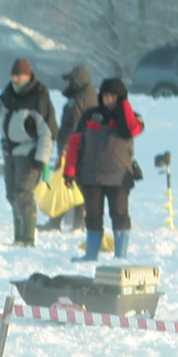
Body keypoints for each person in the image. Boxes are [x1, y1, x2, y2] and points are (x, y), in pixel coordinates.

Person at [64, 77, 144, 259]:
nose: (109, 99)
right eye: (106, 95)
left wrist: (123, 105)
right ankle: (91, 255)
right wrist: (69, 171)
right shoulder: (89, 115)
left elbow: (131, 130)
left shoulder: (132, 118)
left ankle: (120, 255)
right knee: (92, 216)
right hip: (90, 176)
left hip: (119, 176)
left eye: (114, 96)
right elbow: (74, 143)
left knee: (120, 215)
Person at [0, 58, 55, 246]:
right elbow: (0, 105)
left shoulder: (39, 98)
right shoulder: (9, 93)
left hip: (29, 153)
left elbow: (48, 133)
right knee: (11, 194)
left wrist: (41, 159)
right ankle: (18, 237)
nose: (15, 79)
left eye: (19, 75)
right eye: (13, 75)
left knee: (23, 193)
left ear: (28, 75)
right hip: (9, 152)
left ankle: (28, 238)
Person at [50, 65, 97, 229]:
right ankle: (74, 222)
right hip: (83, 146)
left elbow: (72, 125)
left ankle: (67, 222)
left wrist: (65, 149)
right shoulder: (88, 96)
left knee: (70, 185)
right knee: (74, 185)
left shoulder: (79, 99)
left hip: (75, 148)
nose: (67, 83)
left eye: (70, 80)